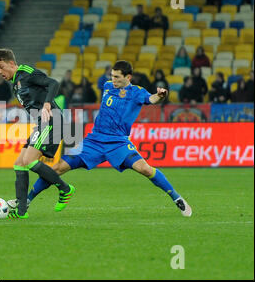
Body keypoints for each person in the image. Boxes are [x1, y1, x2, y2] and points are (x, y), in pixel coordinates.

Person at [24, 61, 192, 217]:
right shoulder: (107, 86)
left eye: (117, 77)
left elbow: (151, 99)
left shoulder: (137, 92)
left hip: (118, 143)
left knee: (145, 169)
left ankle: (177, 198)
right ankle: (27, 200)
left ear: (128, 77)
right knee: (59, 167)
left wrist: (161, 95)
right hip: (94, 141)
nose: (113, 80)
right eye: (112, 76)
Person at [0, 48, 74, 219]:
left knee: (29, 160)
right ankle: (22, 211)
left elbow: (53, 83)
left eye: (1, 67)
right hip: (41, 124)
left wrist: (47, 104)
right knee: (19, 163)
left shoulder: (26, 73)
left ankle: (65, 188)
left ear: (11, 63)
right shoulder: (15, 83)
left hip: (53, 121)